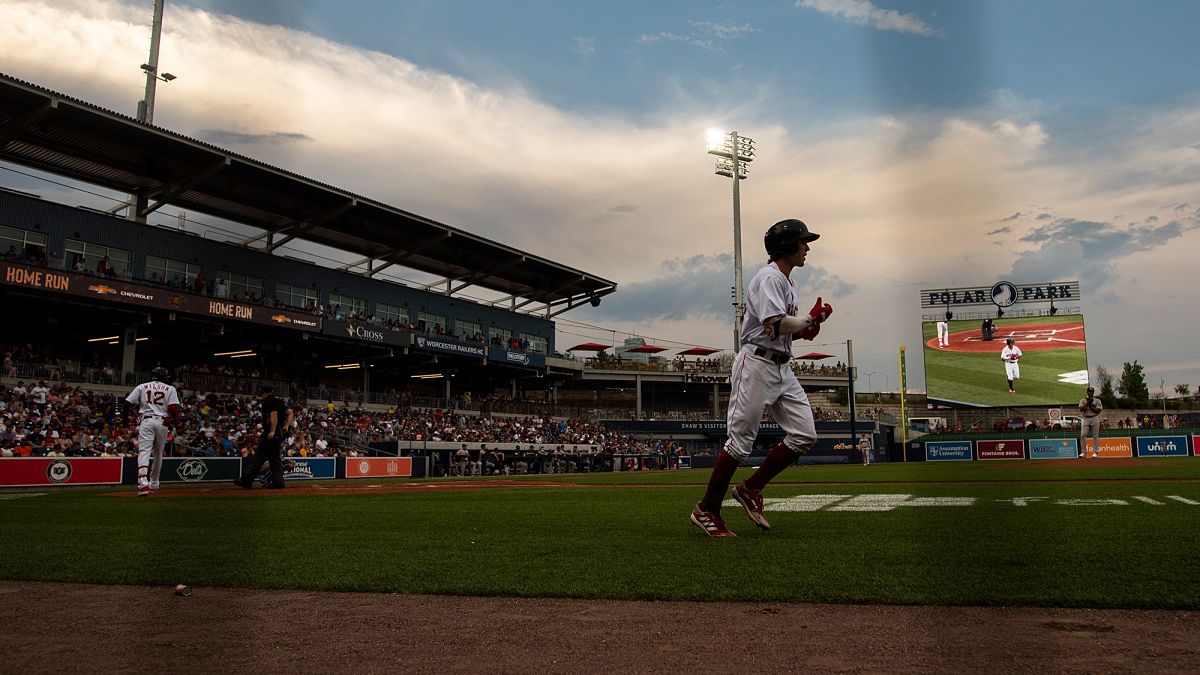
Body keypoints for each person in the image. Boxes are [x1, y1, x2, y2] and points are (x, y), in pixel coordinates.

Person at [690, 218, 833, 537]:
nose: (806, 248)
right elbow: (775, 324)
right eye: (802, 242)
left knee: (804, 435)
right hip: (756, 365)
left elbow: (778, 331)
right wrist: (807, 319)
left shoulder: (787, 281)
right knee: (739, 443)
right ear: (787, 246)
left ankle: (750, 488)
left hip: (780, 365)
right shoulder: (769, 278)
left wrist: (807, 329)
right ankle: (707, 509)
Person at [124, 367, 181, 496]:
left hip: (147, 420)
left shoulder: (142, 386)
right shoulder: (170, 388)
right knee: (158, 453)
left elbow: (127, 403)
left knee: (144, 451)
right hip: (162, 423)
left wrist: (124, 419)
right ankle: (154, 483)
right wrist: (175, 420)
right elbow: (172, 408)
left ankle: (143, 484)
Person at [233, 386, 293, 489]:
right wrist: (286, 425)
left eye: (262, 393)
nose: (262, 395)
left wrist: (272, 431)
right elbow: (290, 412)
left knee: (258, 458)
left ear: (266, 393)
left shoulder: (269, 401)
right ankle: (279, 482)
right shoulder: (279, 401)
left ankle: (246, 481)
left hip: (271, 433)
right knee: (275, 459)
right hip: (278, 434)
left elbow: (273, 415)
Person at [1078, 386, 1104, 458]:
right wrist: (1087, 403)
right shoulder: (1082, 400)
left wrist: (1090, 405)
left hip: (1094, 417)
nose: (1090, 393)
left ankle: (1095, 452)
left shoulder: (1097, 400)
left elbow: (1098, 411)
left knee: (1095, 436)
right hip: (1086, 418)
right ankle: (1083, 452)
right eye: (1089, 391)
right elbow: (1081, 409)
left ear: (1093, 393)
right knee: (1083, 435)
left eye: (1092, 392)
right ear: (1087, 392)